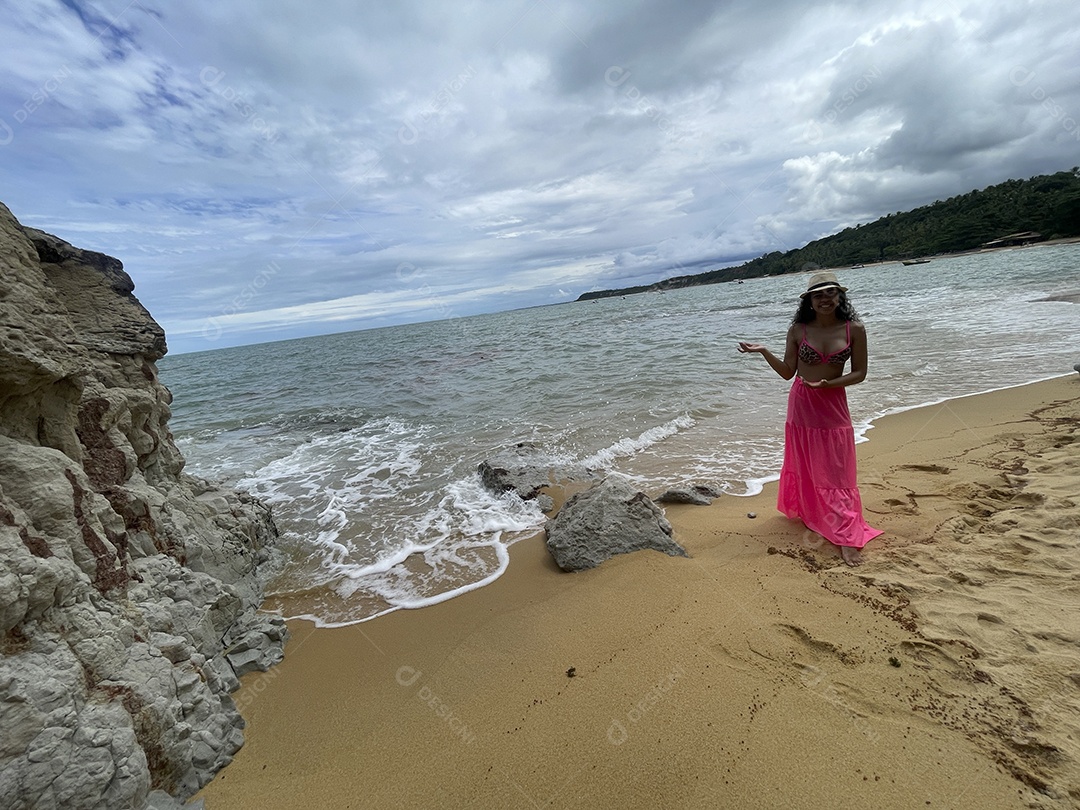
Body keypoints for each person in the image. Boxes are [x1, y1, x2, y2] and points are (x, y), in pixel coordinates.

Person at [737, 271, 882, 566]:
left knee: (837, 470)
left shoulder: (854, 328)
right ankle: (814, 514)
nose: (825, 299)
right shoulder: (798, 330)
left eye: (830, 293)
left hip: (833, 403)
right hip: (803, 402)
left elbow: (860, 373)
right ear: (810, 302)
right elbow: (787, 372)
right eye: (818, 295)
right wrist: (765, 351)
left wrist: (831, 385)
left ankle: (845, 534)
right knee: (807, 462)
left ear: (839, 296)